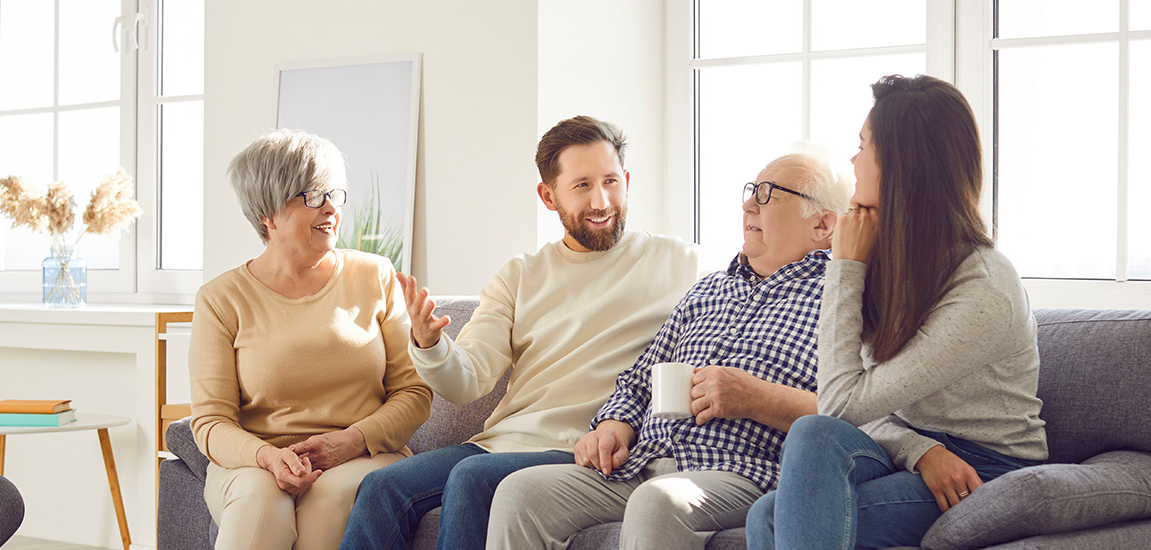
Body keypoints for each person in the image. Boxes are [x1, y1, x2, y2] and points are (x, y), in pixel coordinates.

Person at [338, 115, 700, 550]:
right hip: (501, 445)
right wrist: (431, 343)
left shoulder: (681, 264)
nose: (602, 200)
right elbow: (467, 380)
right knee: (381, 488)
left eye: (610, 181)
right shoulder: (519, 275)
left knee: (473, 480)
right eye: (582, 186)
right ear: (548, 196)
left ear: (626, 179)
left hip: (586, 447)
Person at [487, 152, 852, 550]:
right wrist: (611, 429)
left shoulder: (842, 298)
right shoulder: (709, 288)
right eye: (751, 191)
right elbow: (638, 383)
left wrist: (756, 398)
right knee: (520, 493)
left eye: (768, 195)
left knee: (658, 502)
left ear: (823, 223)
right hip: (645, 463)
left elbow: (857, 412)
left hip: (742, 470)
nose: (748, 204)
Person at [745, 74, 1049, 550]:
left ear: (902, 166)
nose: (853, 160)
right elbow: (841, 411)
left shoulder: (985, 286)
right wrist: (920, 451)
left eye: (863, 146)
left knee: (771, 516)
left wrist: (845, 267)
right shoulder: (892, 260)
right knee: (809, 443)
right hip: (912, 446)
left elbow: (842, 402)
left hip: (987, 465)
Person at [189, 130, 433, 550]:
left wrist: (351, 441)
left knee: (329, 498)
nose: (332, 209)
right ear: (268, 213)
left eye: (334, 194)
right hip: (254, 461)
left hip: (363, 456)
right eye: (312, 197)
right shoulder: (220, 298)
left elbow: (413, 394)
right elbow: (211, 422)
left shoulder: (374, 275)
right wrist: (268, 458)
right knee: (260, 501)